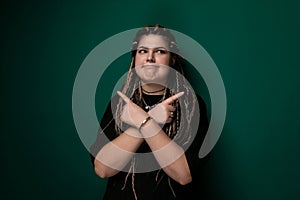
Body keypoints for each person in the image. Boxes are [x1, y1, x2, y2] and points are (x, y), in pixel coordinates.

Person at [90, 24, 209, 200]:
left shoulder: (191, 105)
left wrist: (145, 122)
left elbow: (183, 175)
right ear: (135, 58)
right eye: (143, 51)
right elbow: (103, 169)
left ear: (172, 59)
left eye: (160, 51)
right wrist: (150, 120)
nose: (150, 58)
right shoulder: (119, 103)